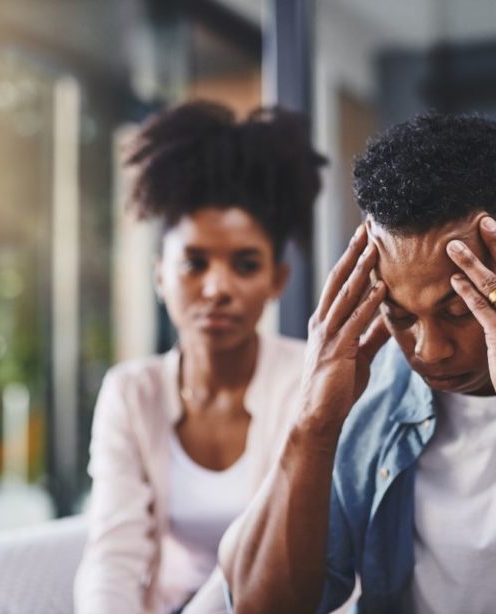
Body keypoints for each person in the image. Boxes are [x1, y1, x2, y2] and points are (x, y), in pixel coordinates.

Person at [220, 113, 496, 613]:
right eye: (400, 315)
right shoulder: (371, 380)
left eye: (459, 311)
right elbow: (259, 606)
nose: (428, 351)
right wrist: (313, 426)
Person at [74, 101, 325, 613]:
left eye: (245, 264)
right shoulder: (131, 392)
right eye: (193, 262)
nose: (216, 288)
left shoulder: (309, 381)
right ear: (160, 275)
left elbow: (320, 554)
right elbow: (113, 556)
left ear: (277, 279)